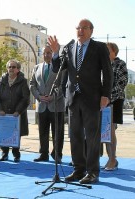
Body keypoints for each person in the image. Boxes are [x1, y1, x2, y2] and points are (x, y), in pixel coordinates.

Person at [48, 19, 113, 184]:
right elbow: (57, 68)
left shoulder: (99, 48)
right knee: (75, 136)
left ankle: (92, 172)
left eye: (84, 28)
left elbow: (107, 72)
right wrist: (55, 53)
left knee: (92, 137)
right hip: (73, 98)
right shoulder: (69, 47)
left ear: (91, 30)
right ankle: (78, 170)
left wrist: (105, 95)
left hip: (92, 98)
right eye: (78, 28)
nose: (80, 31)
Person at [30, 46, 65, 164]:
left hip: (56, 105)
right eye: (45, 53)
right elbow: (32, 84)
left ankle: (57, 154)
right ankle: (43, 154)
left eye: (49, 53)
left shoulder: (59, 68)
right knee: (42, 132)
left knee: (58, 133)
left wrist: (53, 96)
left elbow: (62, 85)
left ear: (53, 54)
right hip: (41, 105)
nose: (47, 55)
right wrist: (39, 97)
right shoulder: (36, 68)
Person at [0, 59, 30, 162]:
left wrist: (18, 111)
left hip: (16, 114)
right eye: (9, 67)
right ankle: (4, 153)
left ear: (18, 69)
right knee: (4, 134)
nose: (11, 69)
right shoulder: (1, 80)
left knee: (15, 134)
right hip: (4, 113)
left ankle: (16, 154)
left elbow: (25, 98)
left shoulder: (23, 81)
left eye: (13, 67)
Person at [104, 42, 128, 171]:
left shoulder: (120, 64)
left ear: (114, 51)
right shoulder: (102, 64)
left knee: (111, 130)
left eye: (107, 50)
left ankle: (113, 159)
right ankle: (110, 159)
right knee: (105, 132)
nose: (105, 52)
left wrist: (107, 98)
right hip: (103, 103)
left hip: (115, 101)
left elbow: (121, 84)